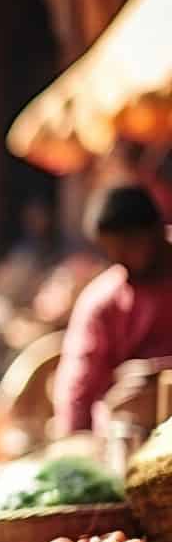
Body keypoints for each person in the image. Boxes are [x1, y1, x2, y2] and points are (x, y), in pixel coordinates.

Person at [53, 184, 172, 435]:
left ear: (157, 231)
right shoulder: (103, 302)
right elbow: (78, 391)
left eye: (129, 245)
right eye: (110, 249)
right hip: (126, 440)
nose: (119, 256)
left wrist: (161, 377)